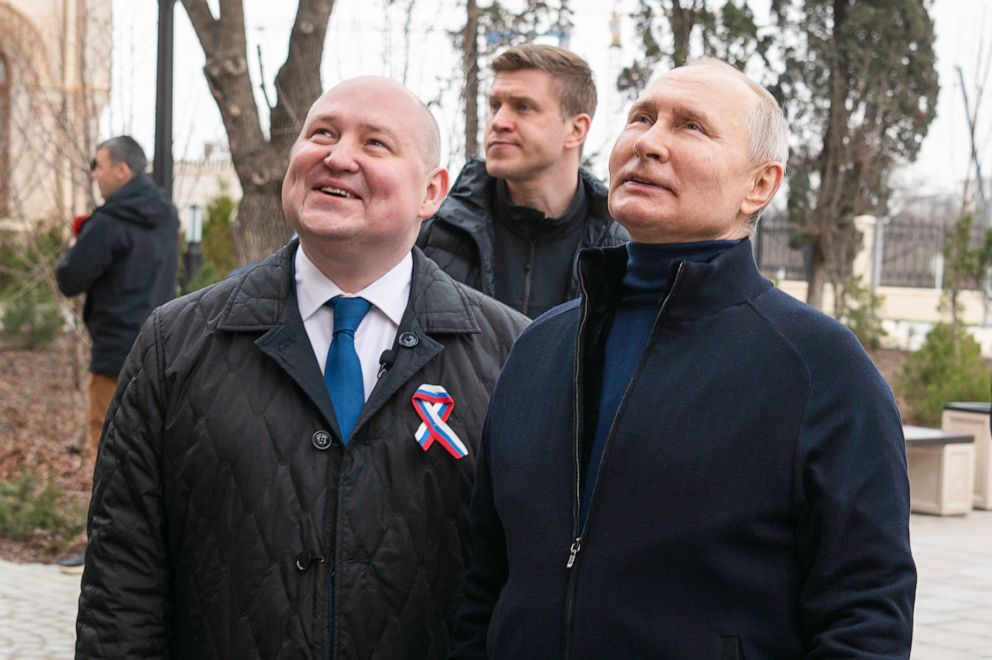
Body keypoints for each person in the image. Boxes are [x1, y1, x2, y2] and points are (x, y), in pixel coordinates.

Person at [451, 59, 916, 659]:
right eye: (642, 118)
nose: (648, 142)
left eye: (691, 126)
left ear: (761, 184)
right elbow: (484, 579)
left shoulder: (819, 367)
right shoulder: (538, 347)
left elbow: (867, 615)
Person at [74, 76, 528, 659]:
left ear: (432, 191)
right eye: (322, 134)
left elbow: (525, 587)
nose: (338, 158)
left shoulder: (511, 354)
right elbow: (122, 579)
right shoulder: (176, 343)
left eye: (374, 144)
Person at [418, 44, 627, 318]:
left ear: (576, 130)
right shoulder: (433, 236)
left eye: (523, 107)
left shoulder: (622, 251)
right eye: (495, 105)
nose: (498, 121)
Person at [55, 136, 178, 574]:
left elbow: (70, 278)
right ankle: (145, 553)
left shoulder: (108, 222)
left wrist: (79, 239)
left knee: (104, 448)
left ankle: (102, 551)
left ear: (122, 172)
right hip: (163, 351)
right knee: (149, 453)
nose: (94, 173)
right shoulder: (166, 215)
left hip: (113, 355)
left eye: (99, 165)